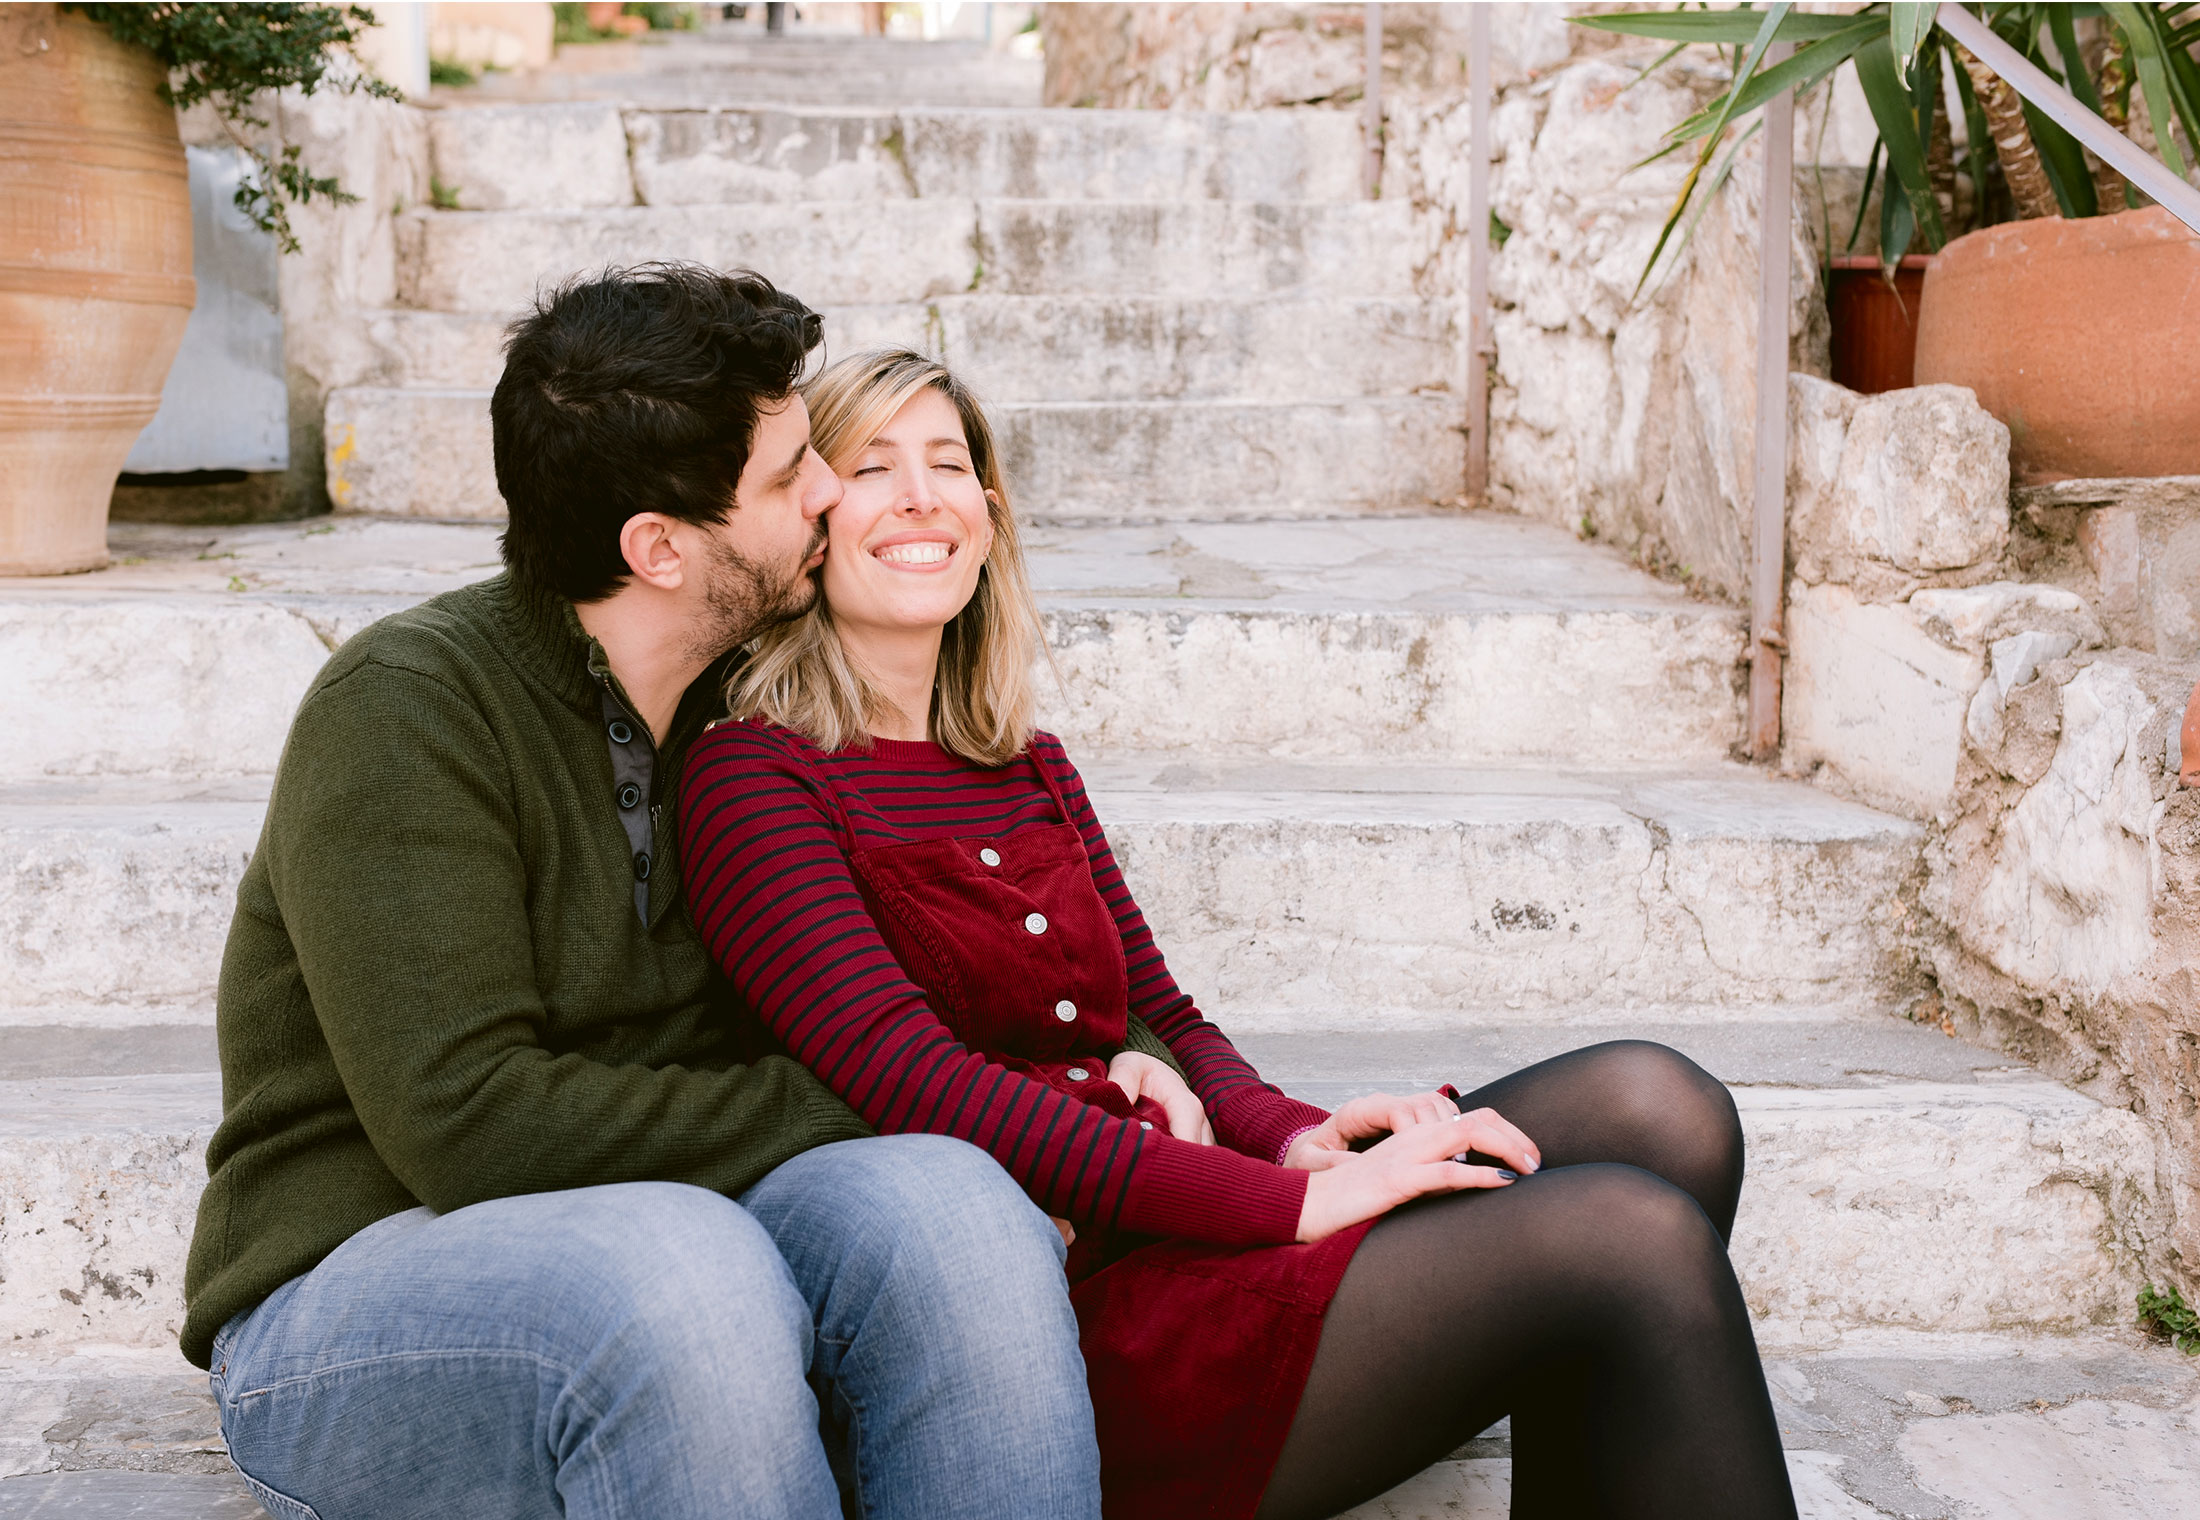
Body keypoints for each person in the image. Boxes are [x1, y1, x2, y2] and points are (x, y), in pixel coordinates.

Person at [679, 347, 1803, 1520]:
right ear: (810, 521)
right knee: (1625, 1238)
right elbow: (910, 1080)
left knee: (1659, 1105)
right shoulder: (754, 776)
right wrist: (1289, 1204)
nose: (920, 496)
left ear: (988, 513)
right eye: (871, 466)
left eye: (949, 464)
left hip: (1180, 1213)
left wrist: (1296, 1138)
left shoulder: (1026, 763)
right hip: (1038, 1326)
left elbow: (1162, 1010)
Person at [180, 268, 1145, 1520]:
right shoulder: (409, 710)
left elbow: (988, 909)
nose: (832, 494)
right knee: (684, 1271)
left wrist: (1139, 1048)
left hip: (697, 1216)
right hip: (363, 1288)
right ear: (661, 548)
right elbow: (472, 1122)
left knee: (955, 1212)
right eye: (795, 471)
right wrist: (889, 1094)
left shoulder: (757, 706)